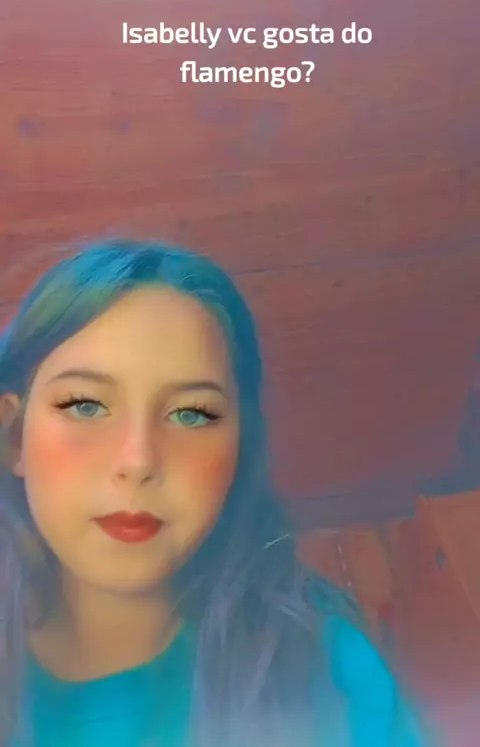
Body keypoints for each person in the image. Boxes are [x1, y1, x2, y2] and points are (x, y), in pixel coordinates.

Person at [0, 238, 429, 747]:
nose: (138, 461)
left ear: (240, 449)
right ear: (13, 437)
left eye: (191, 414)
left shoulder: (332, 676)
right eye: (85, 405)